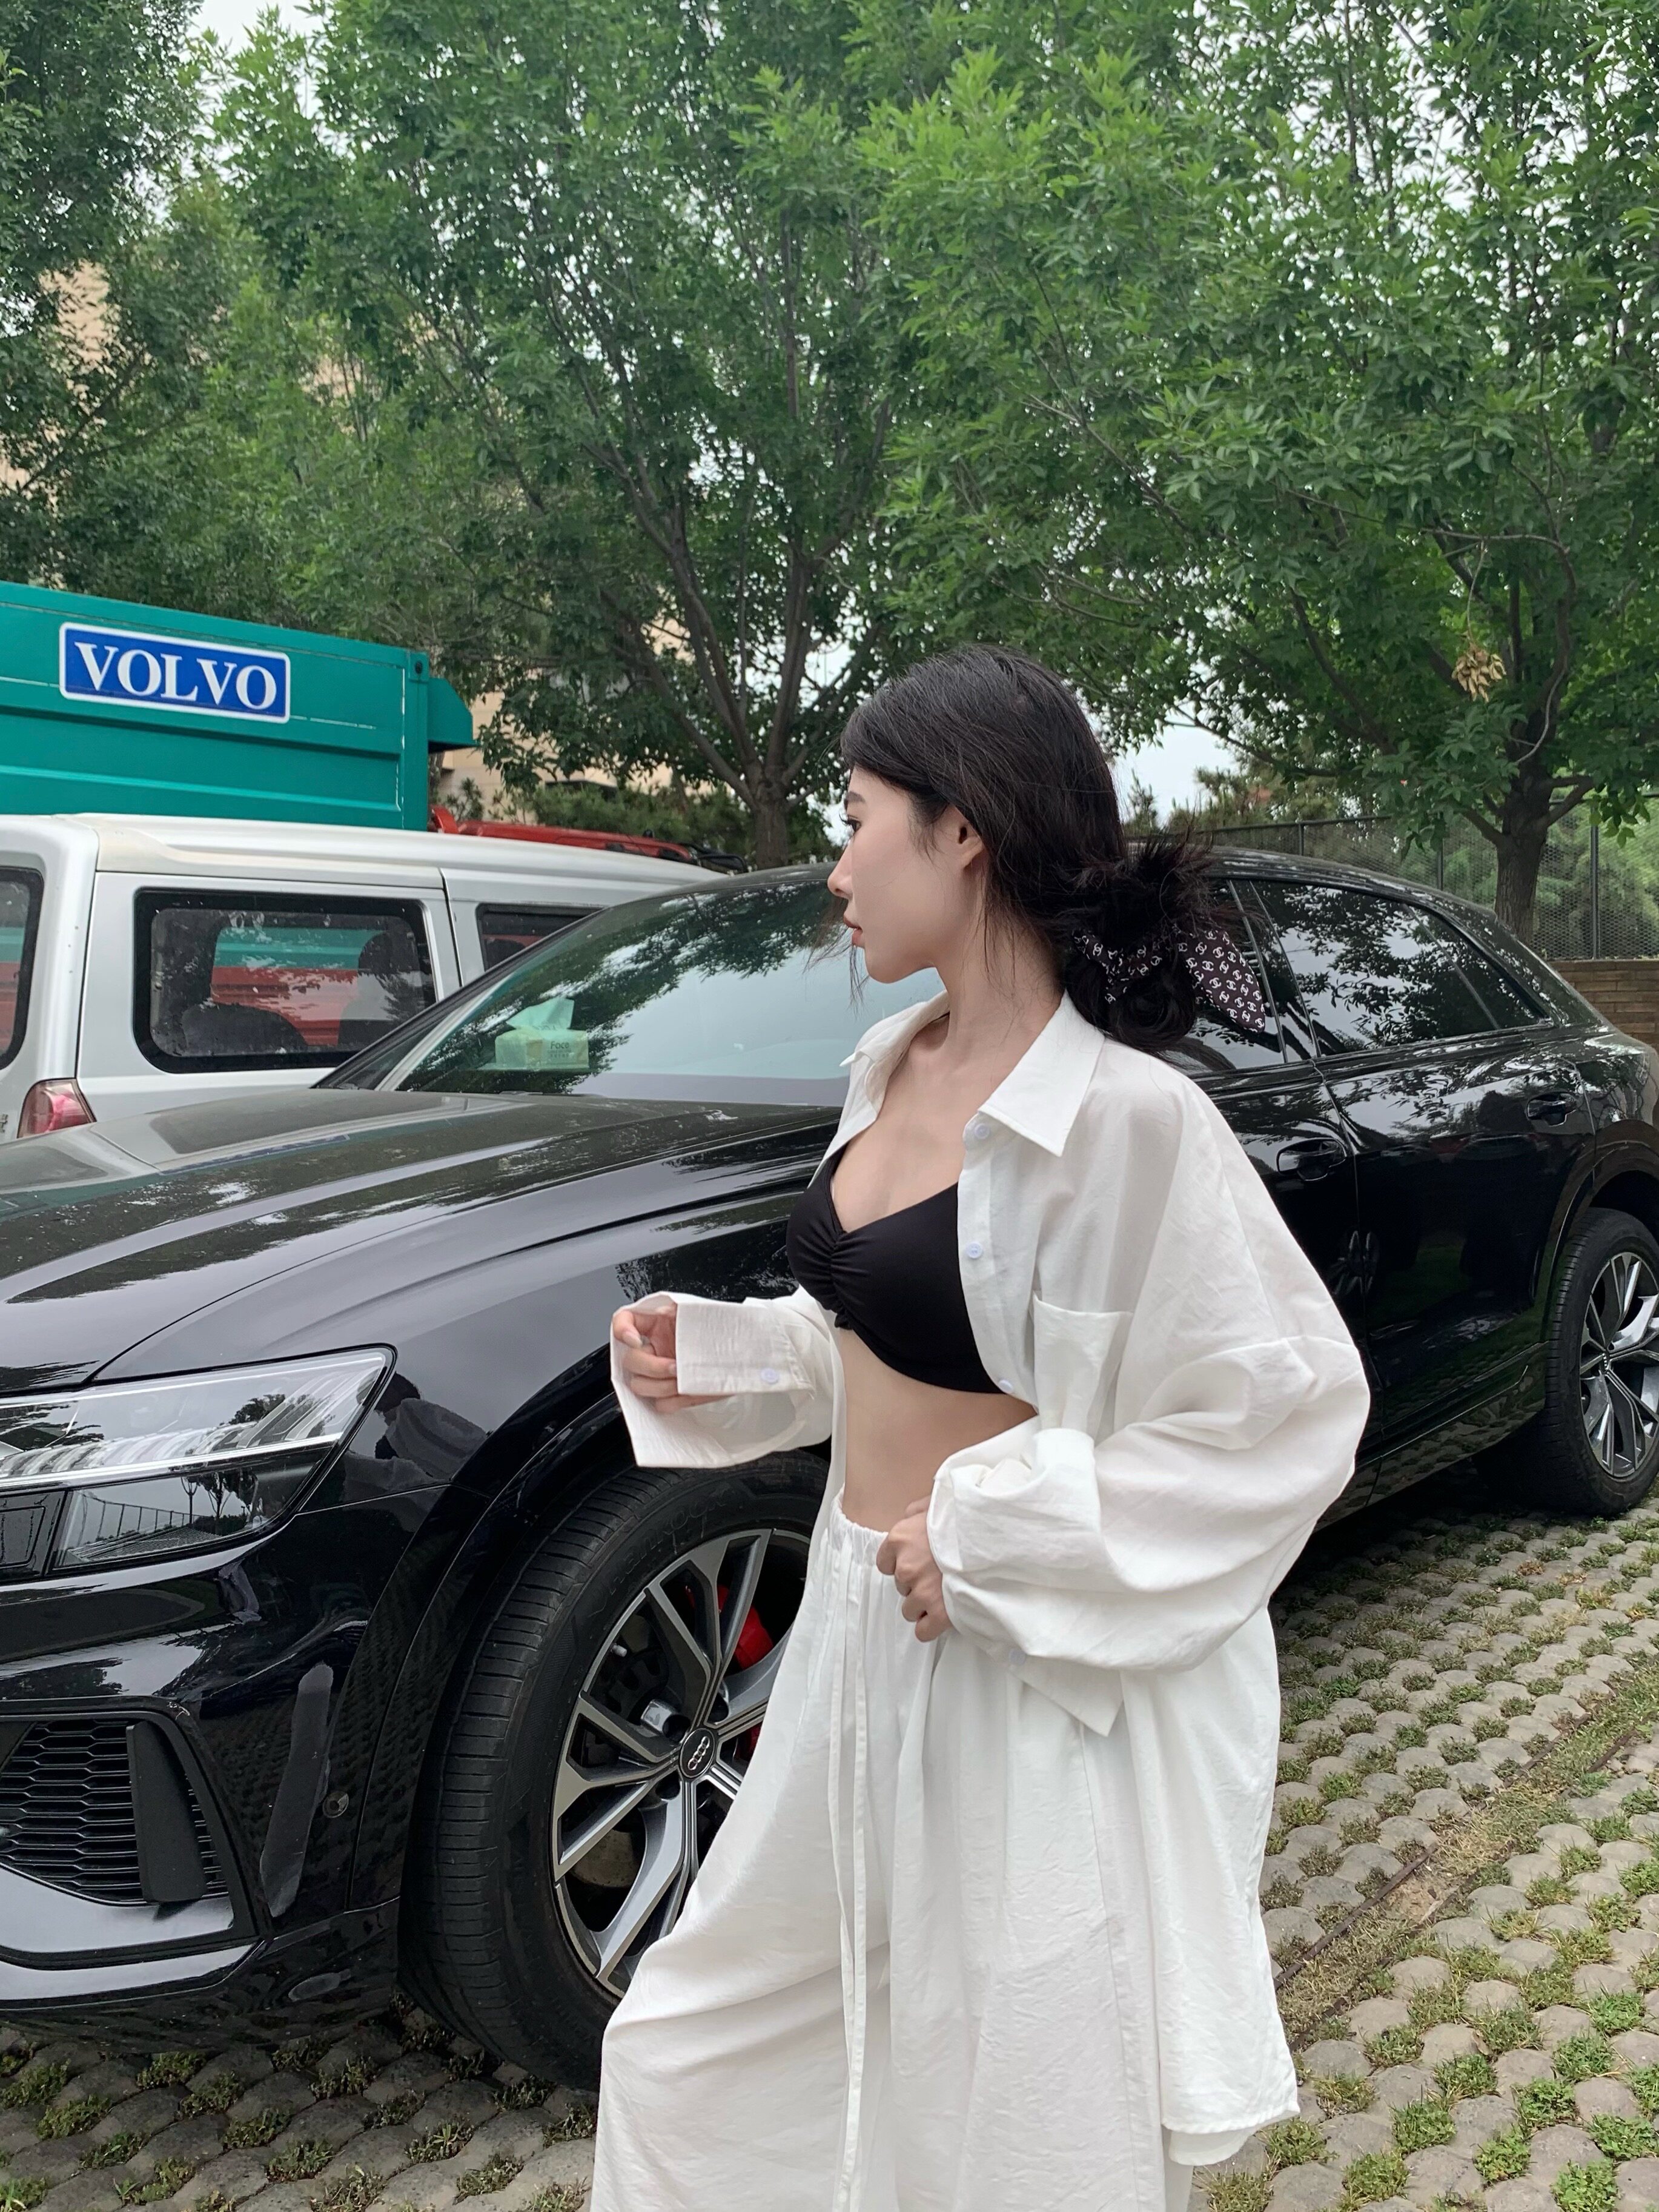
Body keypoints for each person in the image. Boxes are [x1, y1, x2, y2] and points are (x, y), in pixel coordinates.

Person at [591, 646, 1372, 2212]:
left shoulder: (1130, 1122)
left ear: (961, 830)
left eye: (855, 819)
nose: (836, 868)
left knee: (1015, 2097)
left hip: (1014, 1674)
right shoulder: (888, 1070)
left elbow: (1284, 1414)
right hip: (845, 1642)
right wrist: (720, 1355)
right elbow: (878, 1341)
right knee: (691, 2040)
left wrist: (1001, 1537)